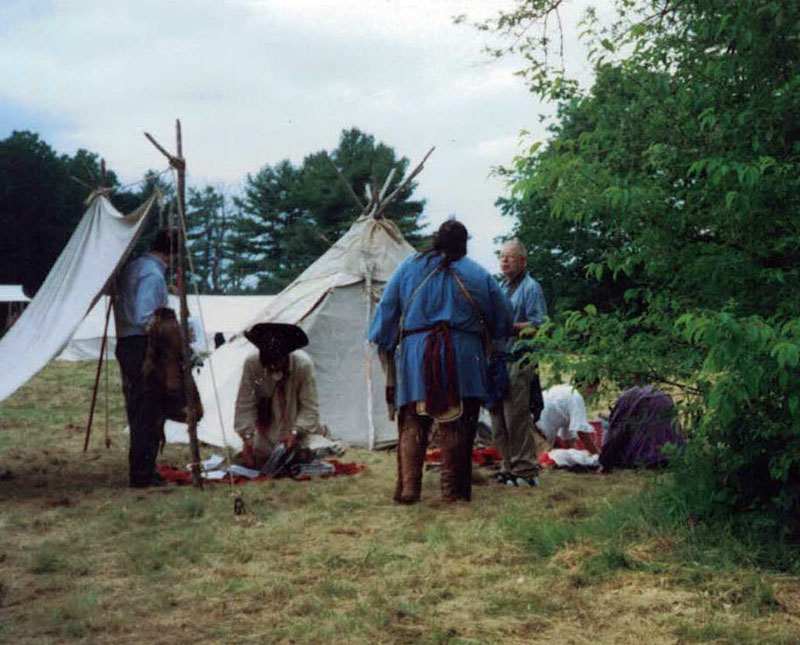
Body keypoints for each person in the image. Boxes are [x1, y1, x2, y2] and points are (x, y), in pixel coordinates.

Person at [369, 219, 513, 504]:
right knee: (458, 423)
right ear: (464, 244)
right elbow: (503, 317)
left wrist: (385, 343)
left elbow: (387, 309)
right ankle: (453, 492)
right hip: (463, 355)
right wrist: (493, 339)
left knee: (412, 419)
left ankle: (410, 488)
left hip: (416, 354)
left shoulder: (408, 268)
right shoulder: (477, 274)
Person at [114, 228, 176, 487]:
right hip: (141, 345)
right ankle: (142, 473)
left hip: (128, 343)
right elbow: (144, 317)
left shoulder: (135, 266)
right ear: (172, 254)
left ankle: (142, 468)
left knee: (140, 408)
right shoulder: (152, 274)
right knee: (146, 411)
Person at [490, 239, 548, 487]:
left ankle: (525, 470)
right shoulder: (501, 287)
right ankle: (507, 466)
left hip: (518, 359)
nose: (504, 261)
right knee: (498, 419)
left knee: (516, 417)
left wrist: (512, 328)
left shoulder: (530, 288)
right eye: (502, 256)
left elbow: (540, 325)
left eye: (510, 257)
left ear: (523, 261)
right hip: (498, 360)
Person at [234, 322, 324, 470]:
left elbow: (310, 408)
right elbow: (244, 404)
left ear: (286, 355)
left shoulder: (303, 365)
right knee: (252, 458)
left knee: (309, 451)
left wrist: (296, 432)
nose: (273, 367)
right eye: (269, 363)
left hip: (295, 431)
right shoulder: (252, 365)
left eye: (277, 362)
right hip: (264, 433)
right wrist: (247, 438)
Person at [535, 383, 601, 455]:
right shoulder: (576, 397)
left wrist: (576, 455)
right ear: (589, 386)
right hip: (539, 429)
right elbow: (582, 432)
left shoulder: (566, 392)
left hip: (535, 424)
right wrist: (596, 453)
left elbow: (569, 439)